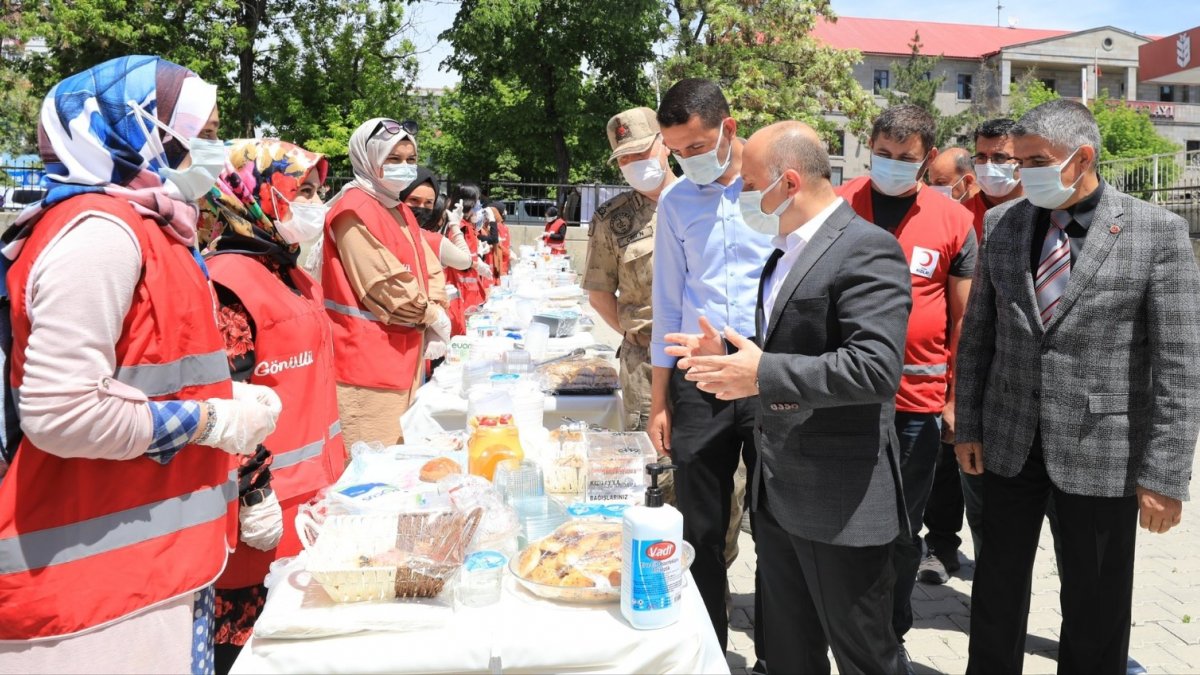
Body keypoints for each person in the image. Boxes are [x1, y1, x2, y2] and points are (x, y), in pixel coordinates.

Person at [0, 56, 280, 674]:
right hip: (88, 598)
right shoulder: (99, 233)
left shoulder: (152, 226)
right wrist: (209, 421)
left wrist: (223, 418)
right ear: (138, 129)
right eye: (202, 135)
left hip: (150, 574)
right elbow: (60, 410)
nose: (218, 152)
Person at [955, 99, 1200, 674]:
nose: (1021, 174)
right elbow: (979, 335)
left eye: (1036, 161)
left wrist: (1164, 475)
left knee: (1095, 603)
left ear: (1082, 158)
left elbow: (1179, 365)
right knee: (995, 591)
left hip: (1104, 451)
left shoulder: (1155, 232)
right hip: (1009, 439)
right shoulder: (1004, 223)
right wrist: (969, 424)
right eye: (1017, 162)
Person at [666, 121, 911, 675]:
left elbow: (875, 369)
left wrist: (762, 372)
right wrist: (730, 354)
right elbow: (790, 348)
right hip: (778, 494)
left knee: (865, 654)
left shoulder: (866, 249)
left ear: (790, 181)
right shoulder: (784, 251)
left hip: (838, 499)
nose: (741, 195)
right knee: (791, 655)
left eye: (749, 183)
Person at [835, 103, 976, 668]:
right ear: (869, 147)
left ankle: (888, 632)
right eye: (884, 155)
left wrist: (954, 398)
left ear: (927, 160)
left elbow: (964, 320)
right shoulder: (838, 206)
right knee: (840, 520)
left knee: (898, 528)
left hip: (915, 408)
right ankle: (839, 623)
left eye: (906, 159)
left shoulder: (952, 222)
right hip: (842, 398)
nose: (892, 165)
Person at [199, 139, 347, 674]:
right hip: (261, 513)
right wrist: (251, 490)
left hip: (314, 502)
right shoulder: (225, 284)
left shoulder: (290, 270)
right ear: (253, 195)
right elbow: (222, 402)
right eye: (299, 191)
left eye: (316, 191)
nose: (314, 203)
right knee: (255, 652)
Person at [651, 77, 774, 658]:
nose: (687, 160)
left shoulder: (774, 187)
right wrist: (659, 401)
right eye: (677, 150)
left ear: (729, 128)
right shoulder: (676, 202)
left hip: (770, 374)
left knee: (777, 528)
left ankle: (782, 651)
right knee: (700, 528)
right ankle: (706, 652)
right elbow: (668, 302)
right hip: (698, 380)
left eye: (697, 147)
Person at [920, 118, 1026, 585]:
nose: (988, 167)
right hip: (958, 359)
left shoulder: (1037, 213)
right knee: (950, 461)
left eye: (1000, 158)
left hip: (1015, 368)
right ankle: (942, 546)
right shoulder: (963, 215)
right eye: (982, 157)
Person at [319, 118, 450, 447]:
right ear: (369, 159)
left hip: (403, 355)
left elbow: (429, 266)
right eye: (393, 159)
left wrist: (436, 304)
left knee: (397, 456)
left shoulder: (397, 208)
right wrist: (430, 314)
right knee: (373, 468)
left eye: (410, 160)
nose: (404, 168)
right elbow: (384, 283)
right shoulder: (353, 210)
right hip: (365, 366)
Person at [584, 107, 674, 434]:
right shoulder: (612, 220)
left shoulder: (703, 199)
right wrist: (635, 333)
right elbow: (599, 294)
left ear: (665, 143)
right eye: (623, 159)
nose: (633, 164)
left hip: (701, 360)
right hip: (645, 365)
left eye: (640, 152)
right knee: (654, 467)